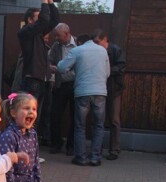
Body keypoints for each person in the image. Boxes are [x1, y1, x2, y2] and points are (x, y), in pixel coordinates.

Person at [57, 34, 110, 167]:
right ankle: (95, 157)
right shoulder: (103, 51)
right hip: (100, 92)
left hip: (82, 92)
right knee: (98, 125)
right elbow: (107, 73)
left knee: (80, 126)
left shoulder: (77, 50)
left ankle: (80, 157)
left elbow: (62, 68)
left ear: (79, 42)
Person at [18, 0, 59, 142]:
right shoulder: (25, 33)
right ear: (30, 20)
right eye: (38, 16)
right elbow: (45, 20)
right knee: (29, 118)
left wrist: (51, 3)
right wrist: (44, 3)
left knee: (36, 117)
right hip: (32, 80)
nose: (42, 19)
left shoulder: (38, 35)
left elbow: (54, 21)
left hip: (41, 80)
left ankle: (30, 149)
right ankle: (25, 148)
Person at [92, 29, 126, 161]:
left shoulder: (115, 50)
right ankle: (98, 149)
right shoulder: (101, 51)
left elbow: (121, 67)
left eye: (97, 42)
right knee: (98, 119)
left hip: (113, 89)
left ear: (105, 39)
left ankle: (114, 150)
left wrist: (106, 71)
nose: (96, 44)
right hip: (102, 88)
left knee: (113, 120)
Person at [49, 23, 77, 155]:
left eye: (58, 35)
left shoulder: (78, 44)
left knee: (75, 116)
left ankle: (71, 146)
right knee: (55, 114)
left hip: (76, 85)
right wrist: (52, 69)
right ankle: (56, 143)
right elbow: (49, 61)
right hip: (61, 84)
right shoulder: (56, 46)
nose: (56, 38)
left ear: (67, 34)